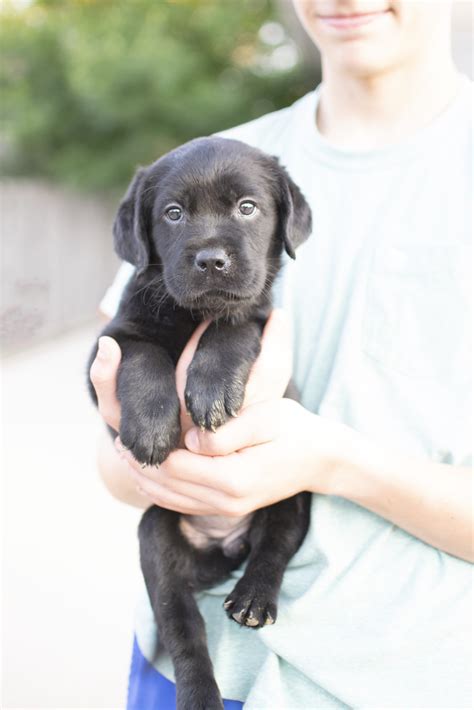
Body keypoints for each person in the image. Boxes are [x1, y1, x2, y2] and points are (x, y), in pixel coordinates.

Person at [90, 1, 473, 707]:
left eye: (239, 214)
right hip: (195, 674)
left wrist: (332, 462)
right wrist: (161, 465)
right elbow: (113, 462)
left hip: (411, 678)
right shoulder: (220, 152)